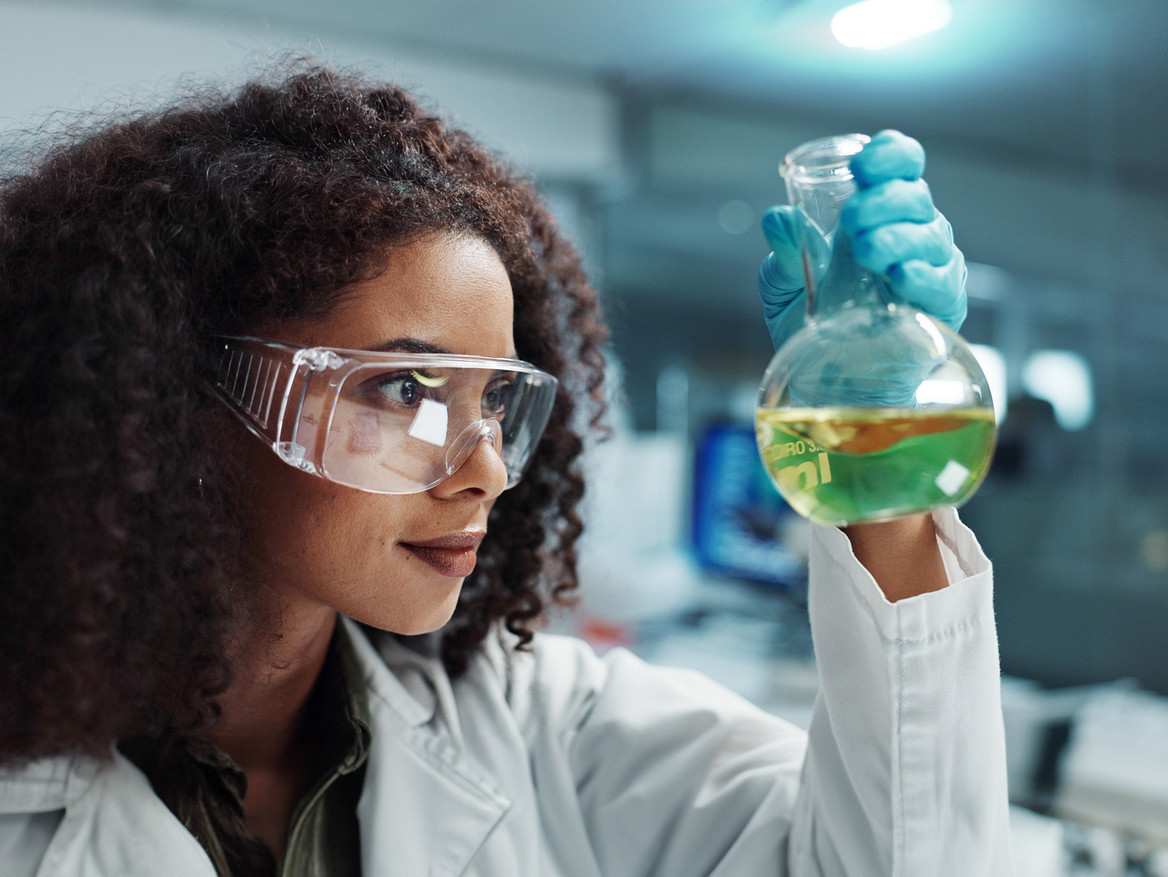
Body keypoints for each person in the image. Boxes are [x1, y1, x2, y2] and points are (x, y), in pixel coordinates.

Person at [0, 62, 1013, 875]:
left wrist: (882, 475)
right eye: (402, 391)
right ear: (171, 398)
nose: (486, 469)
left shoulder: (540, 728)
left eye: (496, 399)